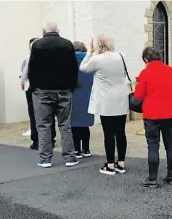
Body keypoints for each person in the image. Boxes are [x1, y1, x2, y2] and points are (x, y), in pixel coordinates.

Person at [28, 22, 79, 168]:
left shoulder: (37, 45)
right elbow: (74, 68)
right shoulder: (67, 44)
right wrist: (71, 87)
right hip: (63, 89)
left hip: (42, 90)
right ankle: (69, 157)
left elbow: (32, 68)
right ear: (57, 30)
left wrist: (34, 87)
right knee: (65, 124)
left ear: (44, 31)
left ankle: (45, 158)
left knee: (43, 125)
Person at [79, 33, 129, 175]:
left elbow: (83, 68)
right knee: (120, 132)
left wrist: (89, 52)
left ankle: (110, 164)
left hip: (106, 100)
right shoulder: (120, 56)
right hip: (121, 97)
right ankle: (121, 163)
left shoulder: (97, 59)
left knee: (108, 133)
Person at [134, 47, 172, 188]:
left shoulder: (145, 72)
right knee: (170, 144)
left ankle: (152, 178)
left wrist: (138, 84)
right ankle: (171, 176)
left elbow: (138, 95)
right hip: (169, 113)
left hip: (152, 115)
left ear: (146, 59)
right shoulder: (170, 71)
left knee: (153, 145)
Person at [20, 37, 57, 150]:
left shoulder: (30, 57)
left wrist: (22, 83)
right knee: (49, 113)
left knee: (34, 114)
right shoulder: (50, 57)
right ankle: (50, 139)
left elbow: (24, 72)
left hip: (33, 88)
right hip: (48, 87)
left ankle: (37, 140)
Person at [72, 41, 95, 159]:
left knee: (74, 124)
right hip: (88, 93)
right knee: (85, 125)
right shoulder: (90, 59)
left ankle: (77, 149)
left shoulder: (70, 60)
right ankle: (86, 149)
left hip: (74, 94)